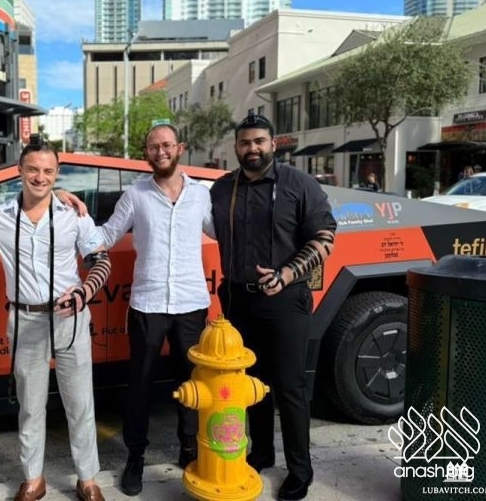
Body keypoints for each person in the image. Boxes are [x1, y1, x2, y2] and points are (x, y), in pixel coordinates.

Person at [0, 136, 111, 501]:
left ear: (57, 173)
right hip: (25, 320)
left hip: (71, 320)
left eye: (48, 171)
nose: (40, 177)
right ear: (19, 170)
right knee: (31, 406)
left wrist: (84, 292)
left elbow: (100, 260)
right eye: (33, 169)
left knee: (80, 403)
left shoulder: (73, 215)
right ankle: (33, 478)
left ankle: (87, 478)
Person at [209, 114, 336, 501]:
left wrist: (286, 273)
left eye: (259, 141)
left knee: (290, 387)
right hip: (237, 298)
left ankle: (300, 470)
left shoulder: (300, 184)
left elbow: (325, 238)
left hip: (285, 299)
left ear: (273, 144)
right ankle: (261, 453)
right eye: (245, 142)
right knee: (252, 383)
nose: (252, 148)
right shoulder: (222, 188)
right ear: (236, 147)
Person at [96, 123, 214, 496]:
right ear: (146, 153)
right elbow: (106, 235)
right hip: (148, 304)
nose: (160, 151)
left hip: (192, 303)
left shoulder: (201, 195)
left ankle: (189, 448)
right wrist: (73, 211)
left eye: (166, 145)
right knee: (140, 384)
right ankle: (135, 457)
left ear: (180, 148)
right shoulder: (136, 195)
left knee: (191, 383)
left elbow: (223, 231)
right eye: (152, 147)